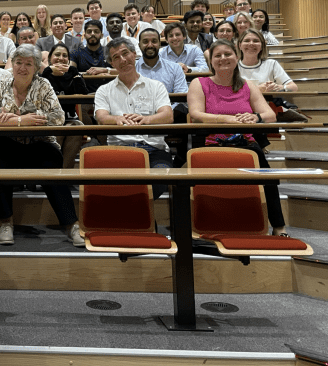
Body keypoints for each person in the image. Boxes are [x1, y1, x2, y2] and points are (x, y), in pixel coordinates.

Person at [0, 44, 82, 246]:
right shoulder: (2, 84)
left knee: (51, 168)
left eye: (28, 64)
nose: (22, 68)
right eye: (18, 62)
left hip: (39, 143)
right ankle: (6, 223)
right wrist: (20, 121)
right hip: (7, 143)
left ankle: (72, 225)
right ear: (12, 64)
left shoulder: (43, 84)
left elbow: (58, 117)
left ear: (36, 67)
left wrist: (19, 119)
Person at [187, 39, 287, 236]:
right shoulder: (200, 83)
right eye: (218, 55)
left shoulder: (248, 85)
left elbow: (270, 115)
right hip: (212, 143)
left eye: (228, 54)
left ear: (237, 56)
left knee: (268, 176)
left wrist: (255, 117)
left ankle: (279, 227)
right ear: (211, 61)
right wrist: (226, 119)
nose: (223, 58)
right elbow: (196, 114)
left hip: (245, 143)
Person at [94, 38, 174, 198]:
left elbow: (168, 115)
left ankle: (137, 212)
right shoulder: (104, 90)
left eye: (125, 53)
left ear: (134, 54)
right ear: (111, 63)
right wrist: (116, 119)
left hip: (154, 150)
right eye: (116, 57)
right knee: (109, 186)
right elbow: (101, 117)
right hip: (119, 150)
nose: (123, 60)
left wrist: (147, 119)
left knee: (159, 182)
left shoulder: (156, 86)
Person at [137, 28, 189, 165]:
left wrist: (162, 115)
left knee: (183, 110)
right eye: (145, 41)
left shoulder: (174, 68)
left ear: (160, 44)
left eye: (154, 41)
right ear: (139, 45)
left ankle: (179, 166)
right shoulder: (132, 68)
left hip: (169, 118)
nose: (150, 45)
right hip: (138, 117)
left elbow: (181, 96)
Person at [41, 43, 88, 168]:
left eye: (64, 55)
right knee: (58, 130)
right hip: (48, 120)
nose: (61, 58)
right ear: (50, 58)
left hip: (70, 119)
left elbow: (83, 95)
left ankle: (66, 173)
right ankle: (53, 172)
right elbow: (37, 93)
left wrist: (74, 72)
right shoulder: (44, 76)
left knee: (76, 128)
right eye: (57, 55)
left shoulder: (73, 74)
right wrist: (48, 71)